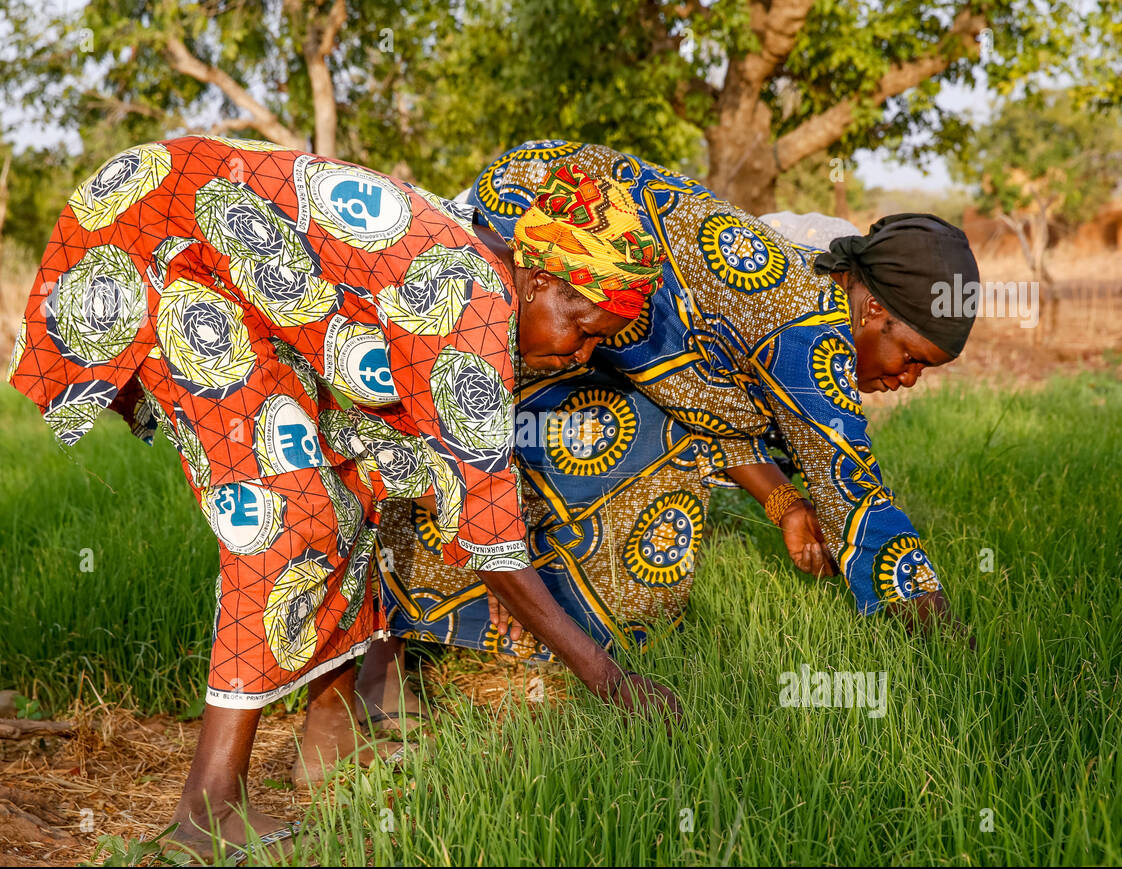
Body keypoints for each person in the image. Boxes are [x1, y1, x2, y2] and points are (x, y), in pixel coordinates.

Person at [7, 135, 678, 861]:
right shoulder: (474, 312)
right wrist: (609, 679)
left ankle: (332, 740)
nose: (577, 355)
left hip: (213, 253)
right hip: (160, 241)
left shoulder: (480, 269)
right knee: (282, 520)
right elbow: (492, 540)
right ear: (545, 281)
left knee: (350, 485)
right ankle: (206, 811)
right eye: (581, 331)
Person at [366, 140, 979, 712]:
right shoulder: (812, 339)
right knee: (452, 429)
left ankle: (459, 632)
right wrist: (947, 637)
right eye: (913, 359)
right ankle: (379, 661)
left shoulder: (804, 289)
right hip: (538, 218)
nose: (907, 379)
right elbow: (859, 497)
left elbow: (704, 403)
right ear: (875, 310)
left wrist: (786, 505)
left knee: (627, 439)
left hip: (552, 223)